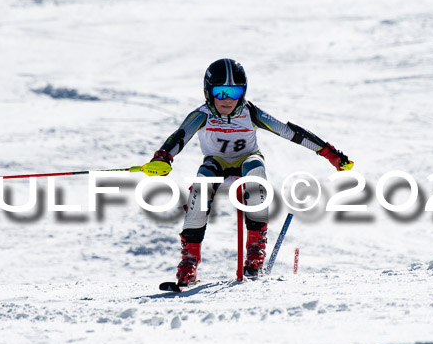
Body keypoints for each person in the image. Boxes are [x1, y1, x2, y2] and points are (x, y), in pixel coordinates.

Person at [150, 58, 354, 286]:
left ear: (243, 92)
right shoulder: (202, 115)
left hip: (247, 159)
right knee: (203, 180)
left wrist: (328, 152)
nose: (227, 99)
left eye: (234, 91)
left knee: (255, 169)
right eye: (220, 92)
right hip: (216, 164)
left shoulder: (250, 113)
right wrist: (163, 157)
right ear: (209, 92)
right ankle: (189, 261)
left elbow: (289, 132)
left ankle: (256, 250)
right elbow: (180, 136)